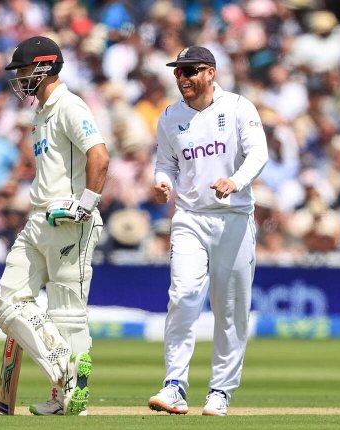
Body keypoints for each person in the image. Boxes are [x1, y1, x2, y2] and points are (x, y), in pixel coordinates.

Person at [0, 35, 109, 416]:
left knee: (68, 311)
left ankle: (71, 397)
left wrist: (85, 206)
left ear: (43, 67)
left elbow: (99, 157)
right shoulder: (41, 112)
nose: (19, 78)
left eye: (22, 70)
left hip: (70, 221)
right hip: (39, 218)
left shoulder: (70, 105)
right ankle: (63, 370)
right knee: (10, 299)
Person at [147, 46, 268, 416]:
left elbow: (258, 153)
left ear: (211, 72)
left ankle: (220, 392)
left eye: (191, 71)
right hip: (189, 217)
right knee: (183, 295)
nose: (183, 78)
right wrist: (162, 182)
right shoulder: (170, 116)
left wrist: (234, 181)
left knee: (230, 309)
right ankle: (174, 386)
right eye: (179, 72)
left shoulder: (237, 107)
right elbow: (165, 163)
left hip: (233, 218)